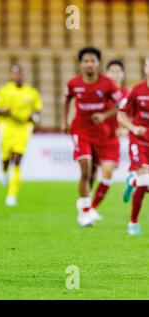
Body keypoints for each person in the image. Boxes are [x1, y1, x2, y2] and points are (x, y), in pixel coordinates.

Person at [62, 47, 124, 227]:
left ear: (98, 63)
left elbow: (121, 105)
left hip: (100, 134)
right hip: (80, 131)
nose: (89, 64)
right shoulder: (73, 83)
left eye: (93, 61)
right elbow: (66, 101)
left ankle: (85, 205)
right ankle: (86, 209)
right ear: (81, 64)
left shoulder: (107, 84)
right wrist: (64, 122)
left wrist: (104, 116)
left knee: (93, 174)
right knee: (85, 168)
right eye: (86, 61)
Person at [0, 65, 42, 206]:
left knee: (17, 159)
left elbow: (37, 111)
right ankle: (3, 171)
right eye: (15, 74)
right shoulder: (4, 91)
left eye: (20, 73)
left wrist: (34, 117)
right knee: (6, 159)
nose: (18, 76)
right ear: (11, 76)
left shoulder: (31, 93)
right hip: (6, 127)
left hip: (23, 129)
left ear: (24, 75)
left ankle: (12, 195)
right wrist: (3, 110)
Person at [88, 60, 128, 218]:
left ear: (123, 74)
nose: (115, 74)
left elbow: (132, 116)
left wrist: (124, 129)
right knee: (90, 173)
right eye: (112, 71)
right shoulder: (100, 90)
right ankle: (85, 204)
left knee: (108, 172)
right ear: (106, 73)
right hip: (94, 136)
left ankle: (92, 207)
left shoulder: (127, 94)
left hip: (111, 140)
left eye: (118, 71)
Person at [117, 56, 149, 235]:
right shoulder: (136, 90)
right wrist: (132, 128)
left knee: (144, 184)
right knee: (145, 180)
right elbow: (121, 115)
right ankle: (133, 223)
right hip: (139, 141)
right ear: (146, 69)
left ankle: (131, 180)